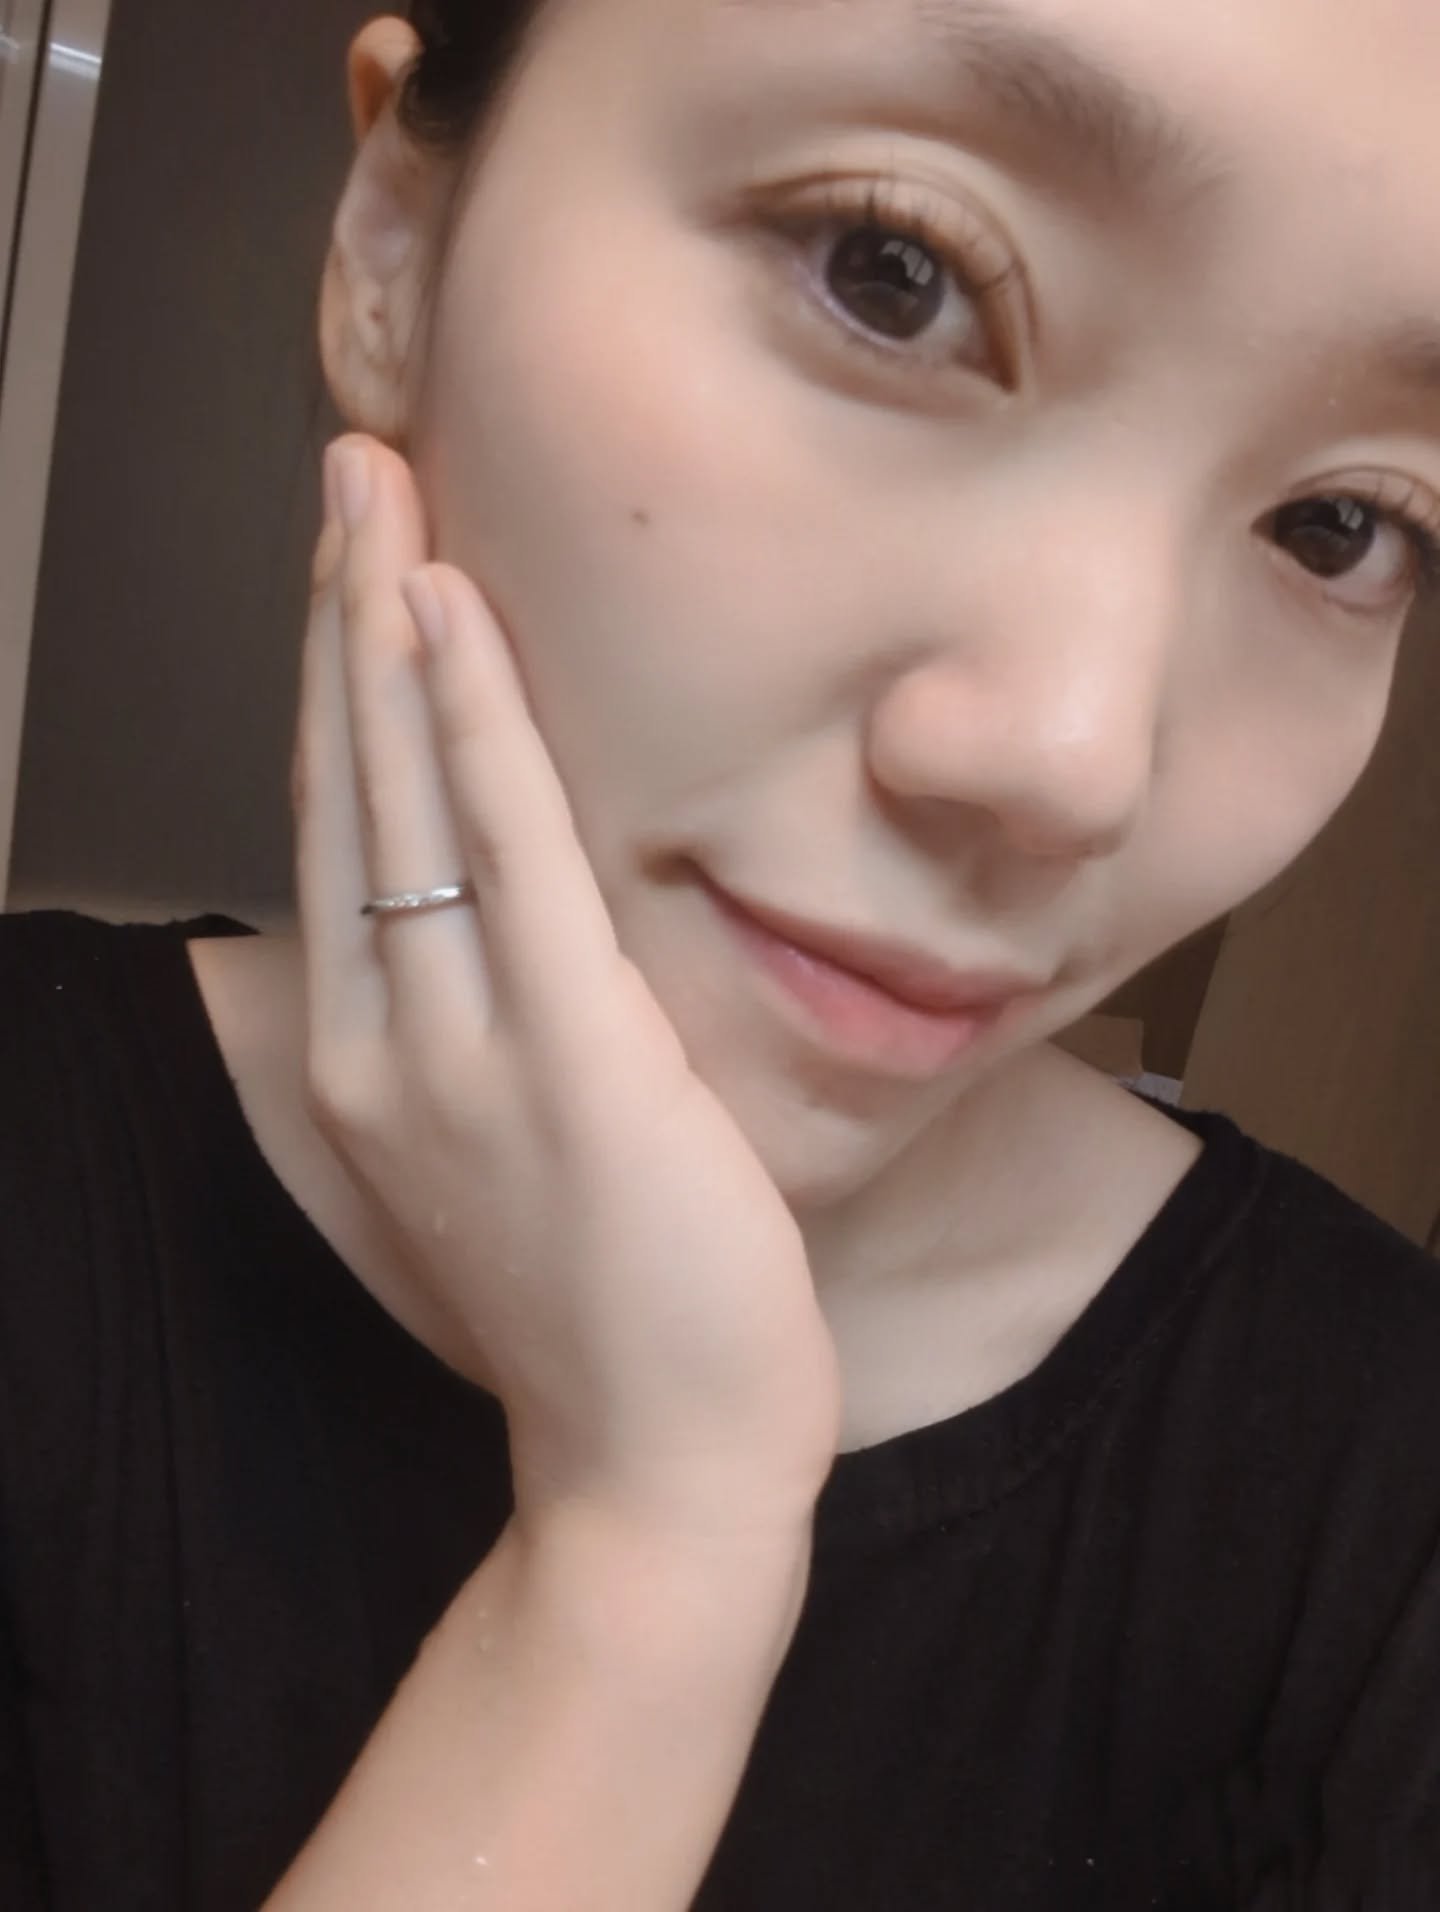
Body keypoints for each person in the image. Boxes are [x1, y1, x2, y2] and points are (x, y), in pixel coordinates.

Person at [4, 0, 1440, 1903]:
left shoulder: (1387, 1503)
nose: (1074, 760)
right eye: (893, 272)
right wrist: (647, 1553)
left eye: (1344, 525)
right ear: (393, 250)